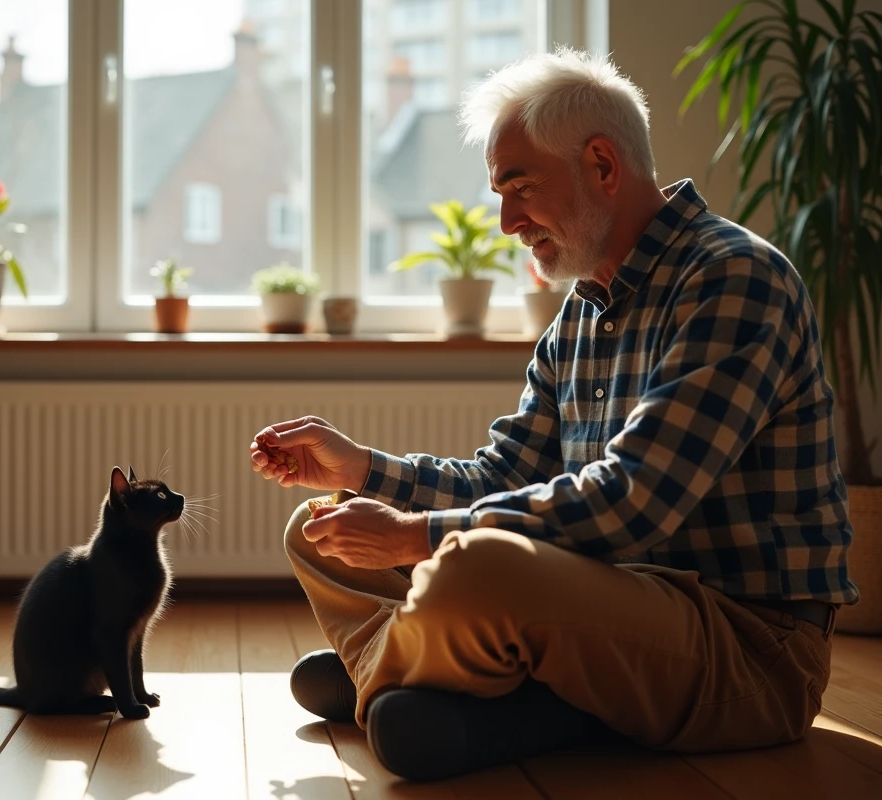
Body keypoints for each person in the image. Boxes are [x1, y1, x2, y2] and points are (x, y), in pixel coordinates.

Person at [248, 47, 856, 783]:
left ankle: (404, 666)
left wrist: (412, 537)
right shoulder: (580, 314)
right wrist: (364, 470)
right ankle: (436, 671)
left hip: (747, 647)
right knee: (319, 526)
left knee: (475, 566)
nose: (507, 222)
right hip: (608, 600)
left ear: (602, 165)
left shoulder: (734, 278)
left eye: (519, 187)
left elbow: (637, 500)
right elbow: (505, 475)